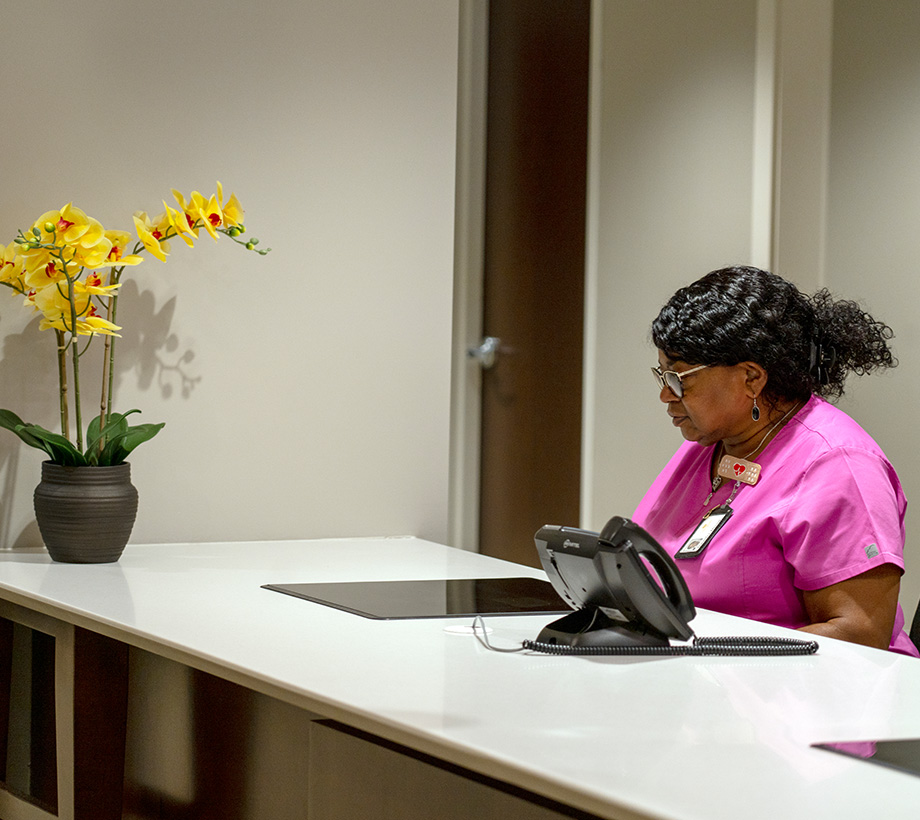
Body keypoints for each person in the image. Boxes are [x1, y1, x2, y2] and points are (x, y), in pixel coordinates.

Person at [632, 266, 918, 656]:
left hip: (796, 700)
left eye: (681, 379)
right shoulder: (713, 442)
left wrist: (712, 657)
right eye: (661, 376)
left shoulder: (839, 465)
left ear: (751, 377)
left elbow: (860, 635)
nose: (666, 395)